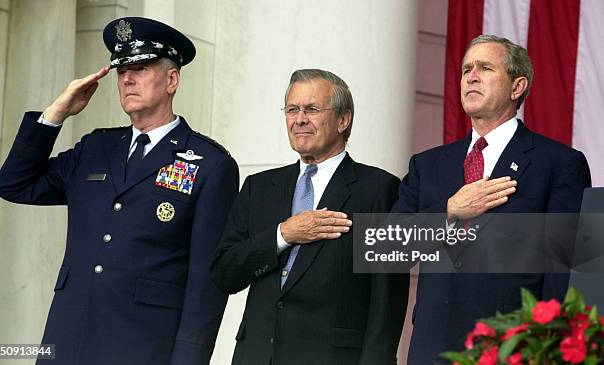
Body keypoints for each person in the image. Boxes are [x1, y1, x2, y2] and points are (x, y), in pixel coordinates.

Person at [0, 17, 238, 365]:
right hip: (68, 343)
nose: (127, 79)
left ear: (172, 79)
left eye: (140, 68)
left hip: (143, 347)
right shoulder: (96, 148)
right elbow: (13, 184)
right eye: (122, 71)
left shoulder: (209, 164)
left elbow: (206, 284)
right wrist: (55, 114)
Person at [390, 34, 591, 364]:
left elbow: (564, 271)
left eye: (485, 67)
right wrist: (450, 211)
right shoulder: (427, 165)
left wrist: (549, 349)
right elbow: (389, 248)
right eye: (466, 68)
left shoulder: (557, 164)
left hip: (512, 347)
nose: (471, 75)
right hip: (433, 345)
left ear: (517, 87)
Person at [210, 69, 409, 364]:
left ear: (344, 120)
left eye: (312, 109)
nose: (299, 119)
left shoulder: (379, 189)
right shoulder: (259, 187)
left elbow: (386, 303)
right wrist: (283, 235)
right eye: (292, 109)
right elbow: (224, 273)